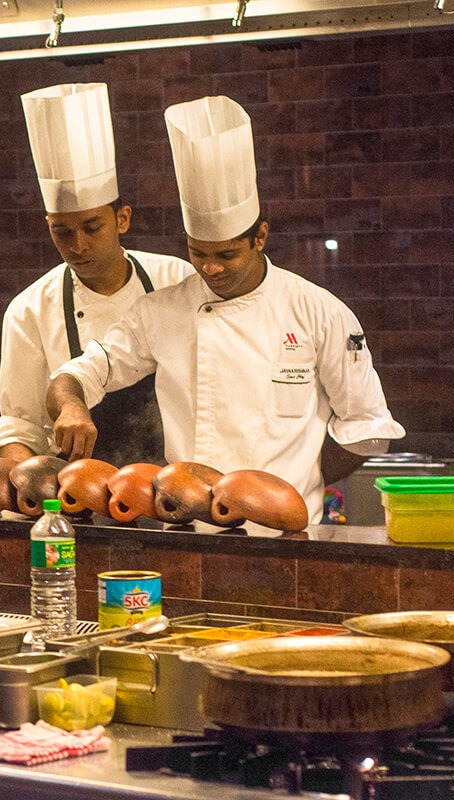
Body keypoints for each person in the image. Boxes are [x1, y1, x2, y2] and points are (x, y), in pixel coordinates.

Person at [46, 95, 405, 525]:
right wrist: (72, 405)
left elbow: (367, 427)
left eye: (227, 255)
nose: (210, 268)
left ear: (260, 237)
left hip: (285, 535)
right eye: (198, 253)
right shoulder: (160, 311)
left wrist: (300, 480)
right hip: (187, 529)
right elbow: (80, 373)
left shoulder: (319, 312)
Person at [0, 83, 193, 466]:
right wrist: (23, 487)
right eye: (62, 232)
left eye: (91, 227)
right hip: (74, 488)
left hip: (173, 484)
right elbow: (20, 431)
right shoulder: (29, 310)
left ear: (122, 219)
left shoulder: (175, 280)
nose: (78, 246)